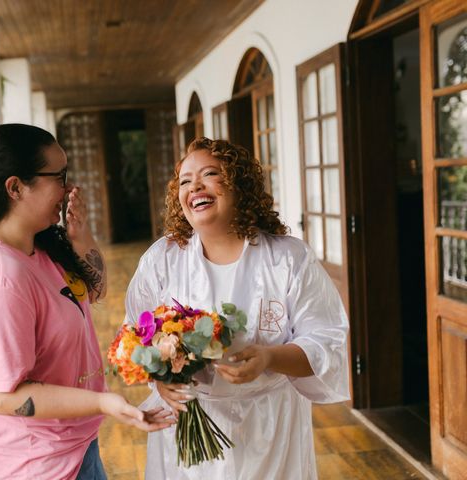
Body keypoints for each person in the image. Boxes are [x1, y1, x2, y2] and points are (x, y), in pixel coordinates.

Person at [0, 124, 173, 480]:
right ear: (16, 187)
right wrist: (101, 401)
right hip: (38, 465)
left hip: (72, 446)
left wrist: (80, 235)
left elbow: (94, 289)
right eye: (59, 175)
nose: (68, 187)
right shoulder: (0, 278)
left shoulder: (36, 246)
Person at [124, 137, 350, 479]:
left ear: (239, 184)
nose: (195, 185)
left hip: (271, 426)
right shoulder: (162, 260)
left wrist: (270, 357)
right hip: (189, 424)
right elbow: (135, 333)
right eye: (185, 180)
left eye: (210, 174)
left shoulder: (288, 259)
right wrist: (161, 381)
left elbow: (326, 342)